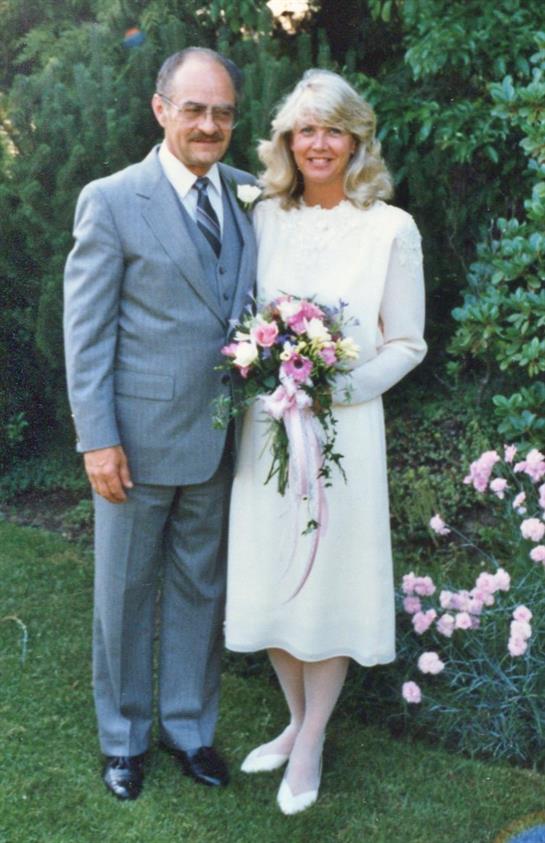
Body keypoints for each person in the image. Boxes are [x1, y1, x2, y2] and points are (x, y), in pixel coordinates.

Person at [224, 69, 427, 815]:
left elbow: (406, 341)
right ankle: (294, 718)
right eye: (304, 129)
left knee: (331, 574)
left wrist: (335, 387)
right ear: (285, 139)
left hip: (344, 427)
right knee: (272, 569)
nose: (318, 143)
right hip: (268, 425)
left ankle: (309, 741)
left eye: (332, 129)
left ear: (356, 139)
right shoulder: (260, 214)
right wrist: (266, 368)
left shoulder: (388, 228)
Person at [63, 47, 257, 801]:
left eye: (222, 112)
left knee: (197, 590)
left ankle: (188, 728)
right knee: (122, 593)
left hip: (217, 440)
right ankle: (122, 738)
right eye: (194, 109)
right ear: (160, 109)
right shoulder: (112, 199)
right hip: (134, 444)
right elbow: (86, 333)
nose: (208, 125)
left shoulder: (246, 194)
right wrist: (96, 437)